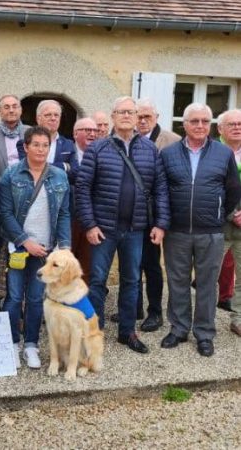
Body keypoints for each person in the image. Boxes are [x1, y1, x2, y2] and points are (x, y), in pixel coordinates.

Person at [76, 96, 170, 354]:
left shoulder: (149, 149)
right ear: (113, 116)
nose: (127, 116)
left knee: (131, 280)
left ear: (138, 116)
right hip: (103, 229)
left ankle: (127, 331)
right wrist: (90, 224)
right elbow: (83, 189)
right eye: (121, 112)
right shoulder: (98, 148)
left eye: (132, 112)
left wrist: (161, 223)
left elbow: (160, 188)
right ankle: (94, 332)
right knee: (96, 280)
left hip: (135, 229)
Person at [160, 103, 241, 357]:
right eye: (194, 121)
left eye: (205, 121)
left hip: (210, 232)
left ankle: (204, 334)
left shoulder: (222, 153)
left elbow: (233, 190)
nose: (199, 126)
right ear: (183, 125)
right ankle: (179, 328)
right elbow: (161, 192)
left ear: (211, 125)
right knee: (177, 281)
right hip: (177, 231)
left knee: (208, 284)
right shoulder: (169, 153)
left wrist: (219, 216)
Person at [0, 126, 71, 369]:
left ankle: (31, 345)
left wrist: (65, 246)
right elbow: (5, 213)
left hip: (46, 251)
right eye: (36, 144)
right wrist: (24, 241)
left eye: (45, 145)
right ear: (26, 147)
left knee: (35, 298)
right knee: (14, 297)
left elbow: (64, 214)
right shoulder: (12, 174)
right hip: (18, 248)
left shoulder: (59, 176)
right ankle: (11, 344)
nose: (41, 149)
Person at [134, 98, 181, 332]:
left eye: (147, 117)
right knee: (131, 264)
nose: (142, 121)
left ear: (156, 118)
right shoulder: (125, 137)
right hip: (131, 214)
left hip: (156, 214)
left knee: (152, 265)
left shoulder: (172, 141)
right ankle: (135, 307)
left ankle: (155, 312)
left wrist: (163, 219)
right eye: (138, 116)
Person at [0, 95, 29, 311]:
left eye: (15, 106)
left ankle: (17, 296)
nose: (11, 110)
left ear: (20, 110)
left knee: (20, 250)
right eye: (6, 107)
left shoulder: (30, 133)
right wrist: (8, 188)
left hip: (27, 204)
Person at [217, 109, 241, 337]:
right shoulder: (213, 153)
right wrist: (232, 214)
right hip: (219, 226)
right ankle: (202, 320)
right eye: (231, 124)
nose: (237, 127)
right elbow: (210, 189)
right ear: (220, 129)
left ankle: (239, 320)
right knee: (207, 274)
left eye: (240, 124)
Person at [71, 117, 98, 281]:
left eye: (95, 131)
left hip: (92, 219)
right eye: (88, 130)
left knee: (87, 266)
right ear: (75, 134)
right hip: (69, 217)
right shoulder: (66, 151)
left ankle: (83, 303)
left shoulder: (100, 153)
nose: (93, 134)